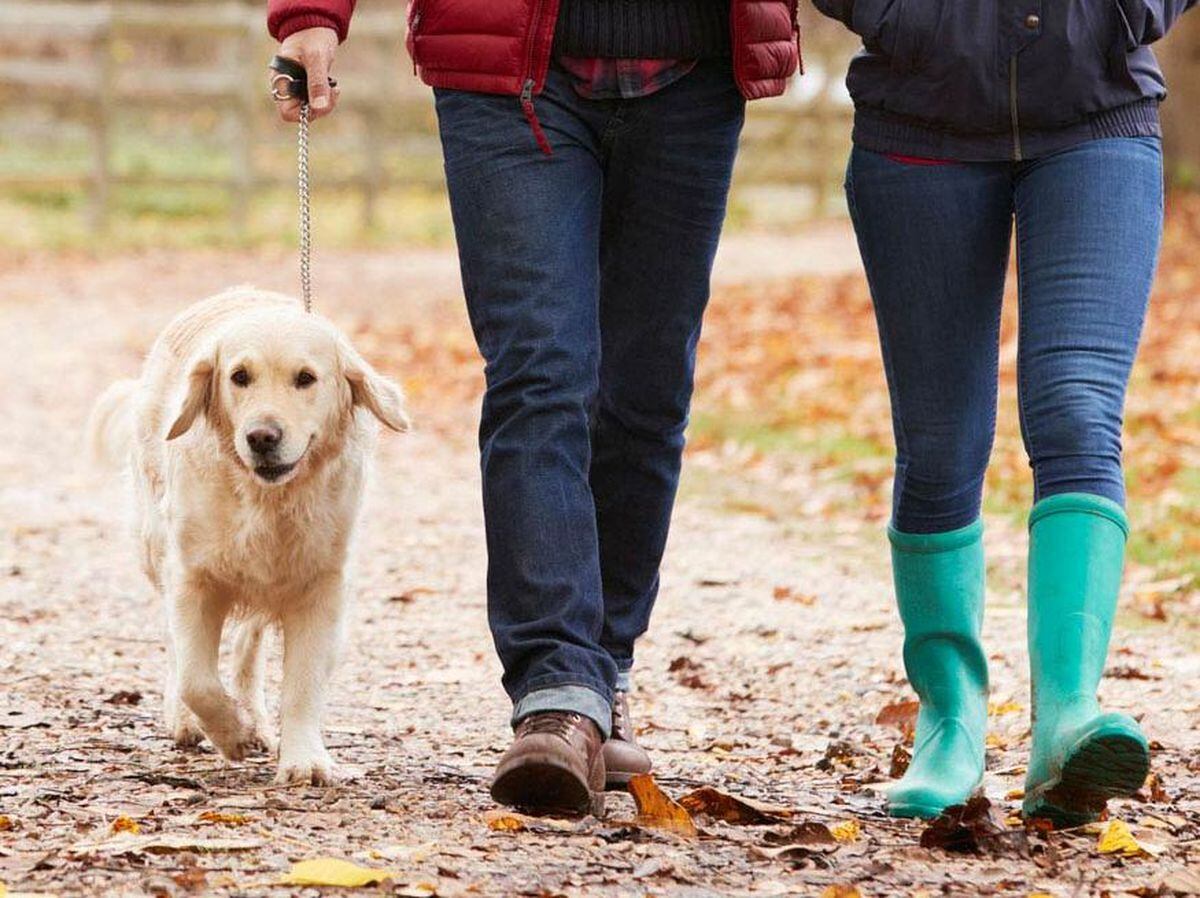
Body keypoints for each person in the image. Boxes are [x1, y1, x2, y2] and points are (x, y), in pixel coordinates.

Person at [267, 0, 800, 814]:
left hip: (693, 72)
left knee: (647, 389)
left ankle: (603, 666)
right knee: (539, 372)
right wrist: (312, 12)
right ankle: (557, 690)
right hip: (505, 69)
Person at [812, 0, 1196, 825]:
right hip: (920, 123)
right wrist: (902, 18)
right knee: (943, 442)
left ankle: (1068, 716)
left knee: (1077, 410)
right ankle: (950, 724)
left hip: (1095, 117)